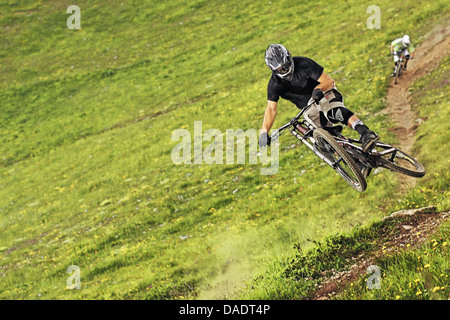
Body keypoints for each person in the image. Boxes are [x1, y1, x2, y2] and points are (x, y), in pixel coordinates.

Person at [259, 44, 379, 153]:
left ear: (289, 56)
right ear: (273, 70)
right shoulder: (274, 84)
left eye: (285, 66)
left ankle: (365, 133)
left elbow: (328, 81)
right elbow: (271, 108)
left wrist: (318, 89)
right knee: (319, 140)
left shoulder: (304, 64)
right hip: (308, 108)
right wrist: (264, 131)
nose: (284, 70)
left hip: (323, 92)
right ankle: (353, 159)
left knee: (333, 112)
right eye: (279, 70)